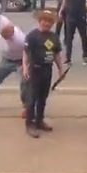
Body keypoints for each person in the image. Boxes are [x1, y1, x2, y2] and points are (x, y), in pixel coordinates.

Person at [22, 10, 65, 138]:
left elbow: (56, 54)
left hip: (47, 70)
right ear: (39, 21)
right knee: (32, 98)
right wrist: (25, 67)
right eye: (44, 20)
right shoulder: (32, 36)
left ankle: (39, 121)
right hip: (34, 70)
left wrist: (60, 69)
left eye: (49, 21)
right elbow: (25, 53)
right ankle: (30, 124)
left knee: (43, 98)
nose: (46, 23)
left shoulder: (54, 37)